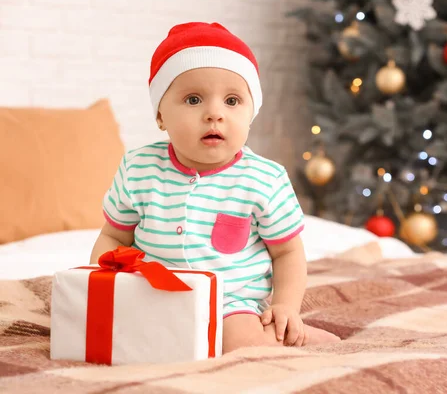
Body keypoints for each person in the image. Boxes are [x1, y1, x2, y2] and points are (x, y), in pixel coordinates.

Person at [89, 22, 340, 353]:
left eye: (233, 101)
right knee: (122, 339)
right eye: (193, 99)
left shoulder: (264, 178)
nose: (214, 114)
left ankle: (292, 336)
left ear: (251, 113)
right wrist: (100, 285)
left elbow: (288, 251)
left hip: (230, 300)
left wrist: (286, 307)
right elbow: (114, 236)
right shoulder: (138, 168)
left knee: (239, 341)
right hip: (152, 293)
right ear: (160, 116)